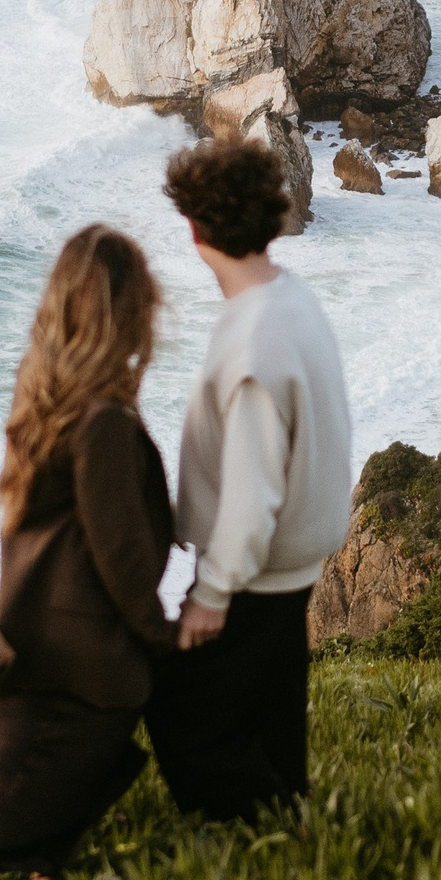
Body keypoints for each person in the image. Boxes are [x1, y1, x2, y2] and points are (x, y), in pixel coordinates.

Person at [0, 224, 177, 880]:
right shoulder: (90, 413)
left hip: (63, 662)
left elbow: (113, 546)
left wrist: (158, 641)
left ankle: (51, 852)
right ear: (128, 312)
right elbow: (119, 549)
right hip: (66, 663)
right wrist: (159, 638)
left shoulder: (58, 399)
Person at [145, 139, 353, 822]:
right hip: (296, 562)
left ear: (197, 230)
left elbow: (253, 489)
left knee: (181, 710)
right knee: (273, 704)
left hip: (256, 572)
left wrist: (210, 592)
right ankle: (287, 805)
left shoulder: (254, 340)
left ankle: (253, 824)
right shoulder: (289, 298)